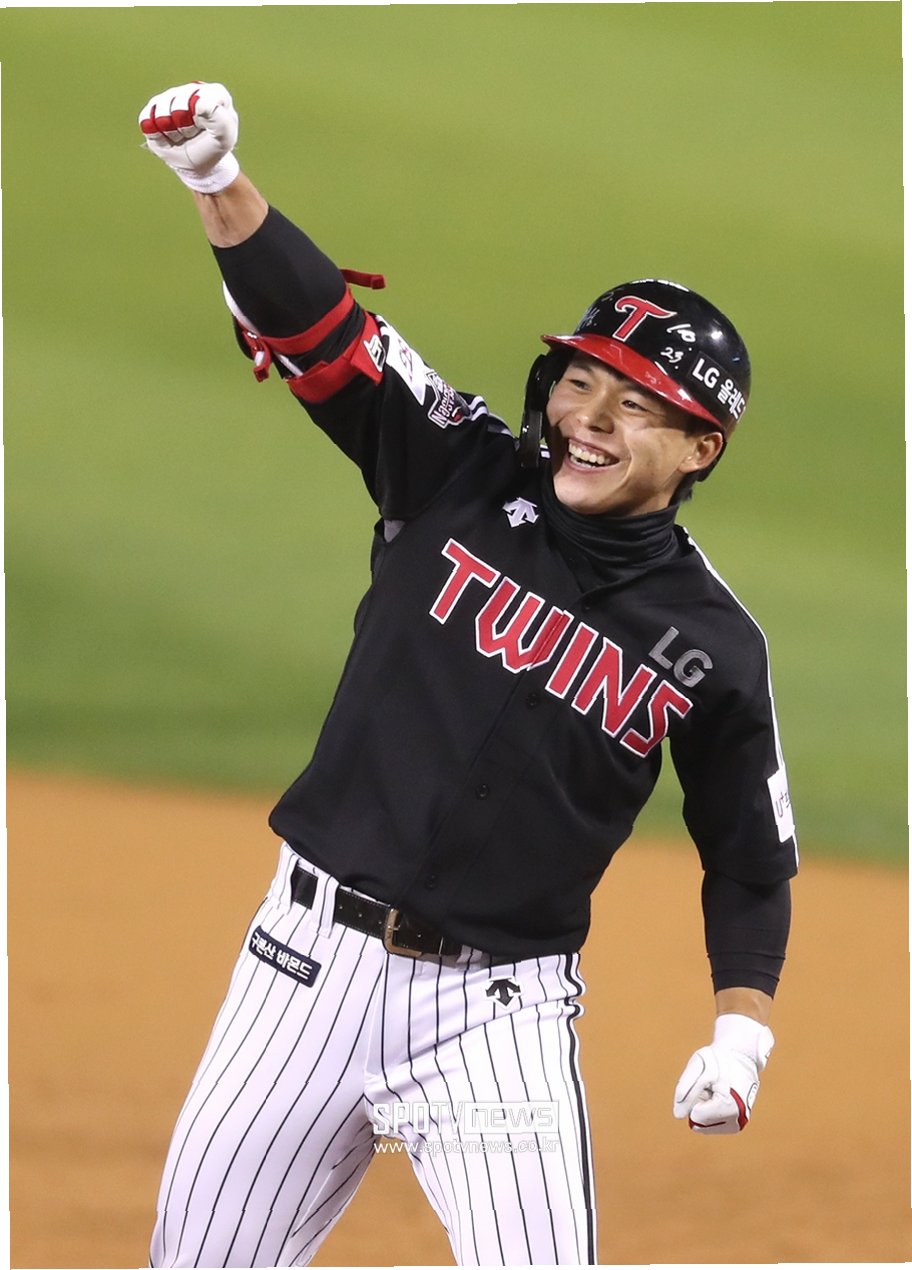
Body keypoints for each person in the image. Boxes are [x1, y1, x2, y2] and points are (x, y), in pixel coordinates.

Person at [138, 82, 798, 1269]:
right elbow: (325, 333)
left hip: (496, 1019)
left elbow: (750, 861)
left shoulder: (714, 645)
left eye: (635, 404)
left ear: (703, 446)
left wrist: (741, 1036)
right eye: (579, 380)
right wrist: (214, 178)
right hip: (302, 972)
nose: (588, 417)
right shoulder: (453, 466)